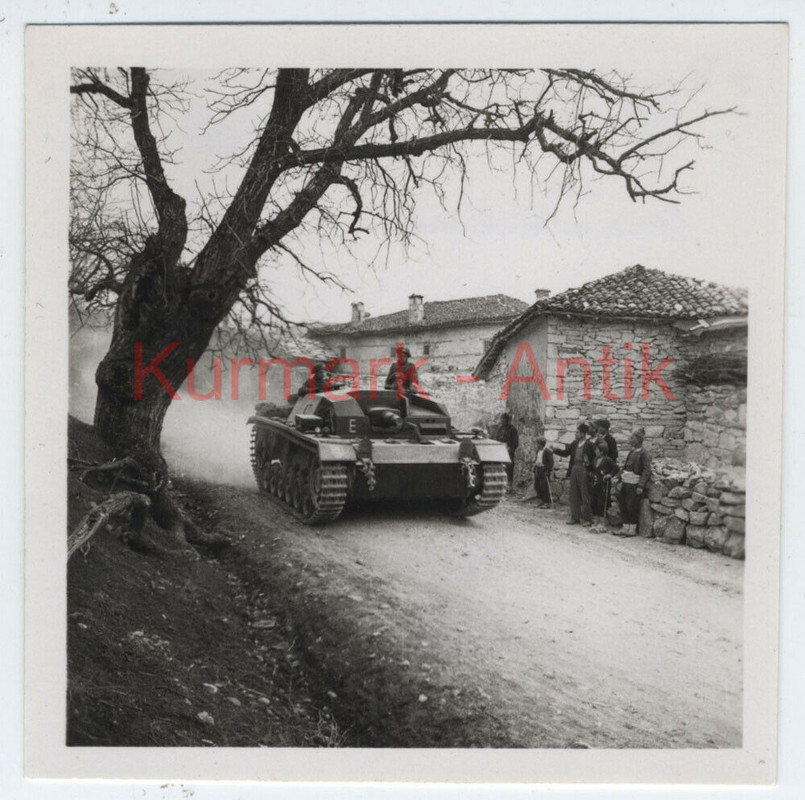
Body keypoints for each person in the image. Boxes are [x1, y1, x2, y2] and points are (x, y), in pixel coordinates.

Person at [553, 422, 596, 526]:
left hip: (584, 470)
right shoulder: (574, 443)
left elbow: (594, 458)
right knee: (573, 493)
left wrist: (589, 464)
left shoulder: (590, 445)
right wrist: (555, 450)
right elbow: (566, 453)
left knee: (584, 494)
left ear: (583, 433)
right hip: (574, 468)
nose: (575, 434)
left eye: (577, 432)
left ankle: (587, 519)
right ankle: (575, 517)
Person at [616, 428, 652, 536]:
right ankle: (625, 527)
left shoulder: (644, 454)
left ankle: (632, 529)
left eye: (632, 438)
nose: (630, 439)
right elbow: (625, 466)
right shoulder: (631, 452)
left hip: (634, 483)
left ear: (639, 440)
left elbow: (646, 470)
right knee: (623, 503)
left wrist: (641, 485)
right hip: (626, 481)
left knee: (632, 505)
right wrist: (618, 477)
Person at [589, 440, 618, 532]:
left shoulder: (607, 460)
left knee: (602, 503)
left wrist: (610, 475)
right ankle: (596, 522)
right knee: (594, 502)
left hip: (603, 485)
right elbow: (591, 468)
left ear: (602, 451)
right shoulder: (595, 459)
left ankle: (602, 523)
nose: (595, 451)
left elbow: (616, 468)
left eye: (597, 450)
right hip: (595, 484)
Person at [496, 412, 519, 491]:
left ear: (507, 420)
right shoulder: (500, 428)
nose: (502, 421)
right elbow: (497, 438)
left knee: (509, 467)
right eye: (501, 419)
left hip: (508, 448)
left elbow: (516, 442)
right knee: (499, 466)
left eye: (504, 419)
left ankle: (509, 486)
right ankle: (499, 484)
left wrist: (511, 449)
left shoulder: (512, 429)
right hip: (499, 448)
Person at [532, 436, 554, 508]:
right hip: (537, 469)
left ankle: (547, 502)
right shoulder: (538, 450)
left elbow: (551, 462)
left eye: (538, 443)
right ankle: (542, 500)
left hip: (543, 470)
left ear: (541, 444)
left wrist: (547, 471)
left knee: (544, 486)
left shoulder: (547, 451)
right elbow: (537, 459)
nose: (537, 445)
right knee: (537, 486)